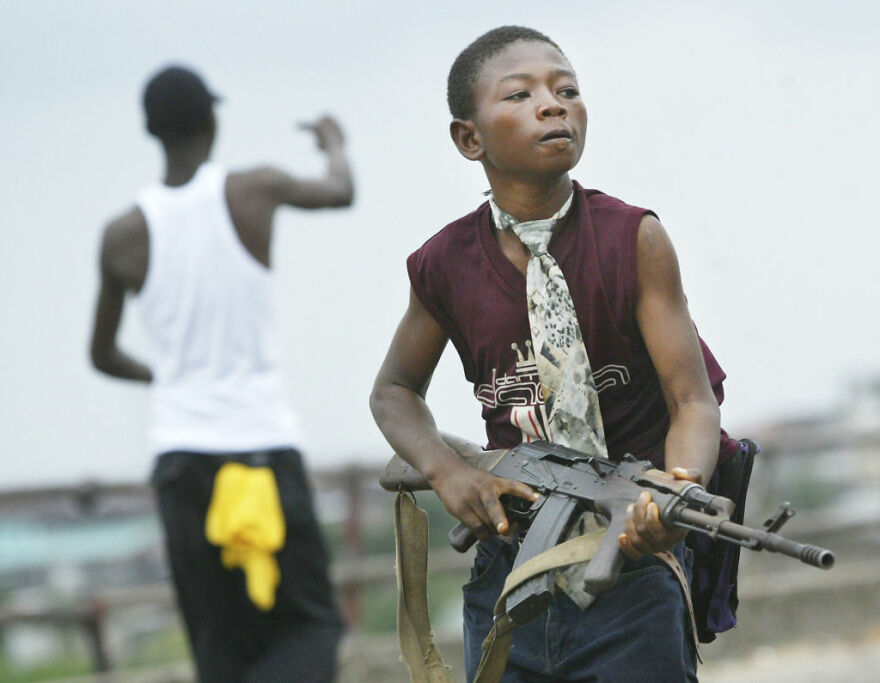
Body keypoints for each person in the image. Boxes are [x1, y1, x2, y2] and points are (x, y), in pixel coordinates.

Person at [370, 26, 738, 682]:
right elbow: (394, 391)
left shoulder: (633, 239)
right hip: (510, 579)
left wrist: (674, 491)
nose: (553, 103)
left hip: (629, 572)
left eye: (567, 89)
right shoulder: (445, 264)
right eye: (522, 94)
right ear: (469, 138)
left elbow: (692, 400)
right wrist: (449, 473)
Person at [89, 64, 354, 682]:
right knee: (310, 626)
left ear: (152, 132)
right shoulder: (252, 190)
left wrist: (169, 378)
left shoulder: (122, 235)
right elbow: (339, 190)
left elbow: (102, 355)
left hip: (183, 461)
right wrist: (333, 139)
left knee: (219, 647)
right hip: (260, 448)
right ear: (212, 120)